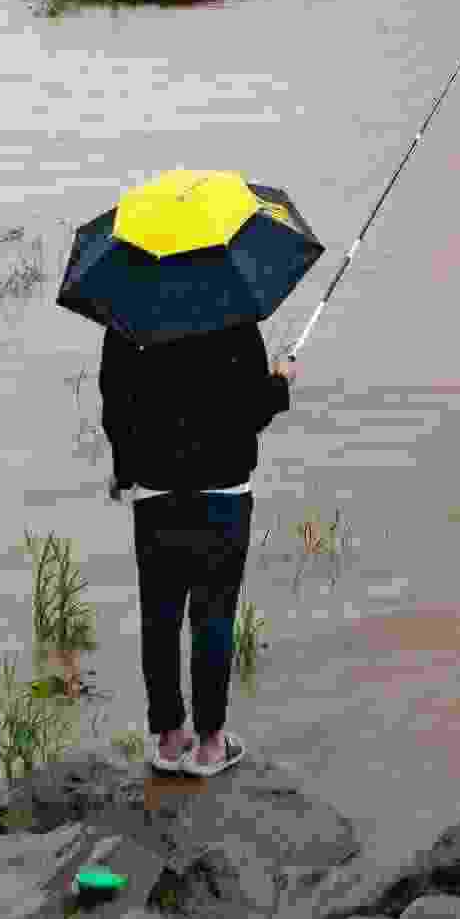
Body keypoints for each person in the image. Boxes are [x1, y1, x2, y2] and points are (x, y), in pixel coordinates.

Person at [99, 315, 296, 776]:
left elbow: (116, 407)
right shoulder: (233, 316)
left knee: (160, 617)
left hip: (155, 492)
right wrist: (279, 383)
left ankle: (169, 740)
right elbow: (250, 410)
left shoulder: (128, 317)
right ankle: (210, 744)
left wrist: (124, 471)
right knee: (214, 615)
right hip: (223, 491)